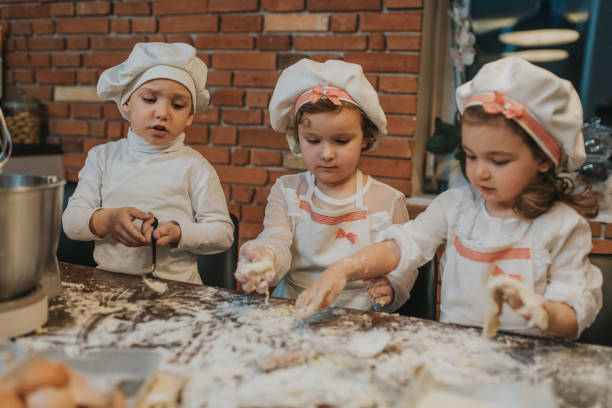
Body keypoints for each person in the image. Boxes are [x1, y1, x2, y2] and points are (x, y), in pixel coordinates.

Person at [296, 57, 603, 339]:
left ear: (545, 159)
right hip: (458, 354)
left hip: (529, 365)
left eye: (498, 161)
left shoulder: (563, 227)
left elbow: (573, 316)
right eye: (471, 156)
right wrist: (344, 268)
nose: (480, 173)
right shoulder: (456, 206)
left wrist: (539, 311)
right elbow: (400, 247)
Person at [233, 58, 414, 312]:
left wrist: (394, 283)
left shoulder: (387, 200)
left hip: (359, 314)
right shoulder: (287, 191)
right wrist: (266, 258)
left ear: (366, 137)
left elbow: (404, 260)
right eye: (313, 140)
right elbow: (277, 240)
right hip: (292, 307)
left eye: (341, 141)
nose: (326, 154)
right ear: (297, 138)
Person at [62, 42, 234, 284]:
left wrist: (179, 232)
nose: (162, 112)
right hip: (110, 285)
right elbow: (71, 222)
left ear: (190, 116)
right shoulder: (102, 157)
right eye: (150, 99)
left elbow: (222, 233)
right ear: (126, 103)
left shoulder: (196, 167)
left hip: (180, 290)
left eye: (177, 105)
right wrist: (108, 220)